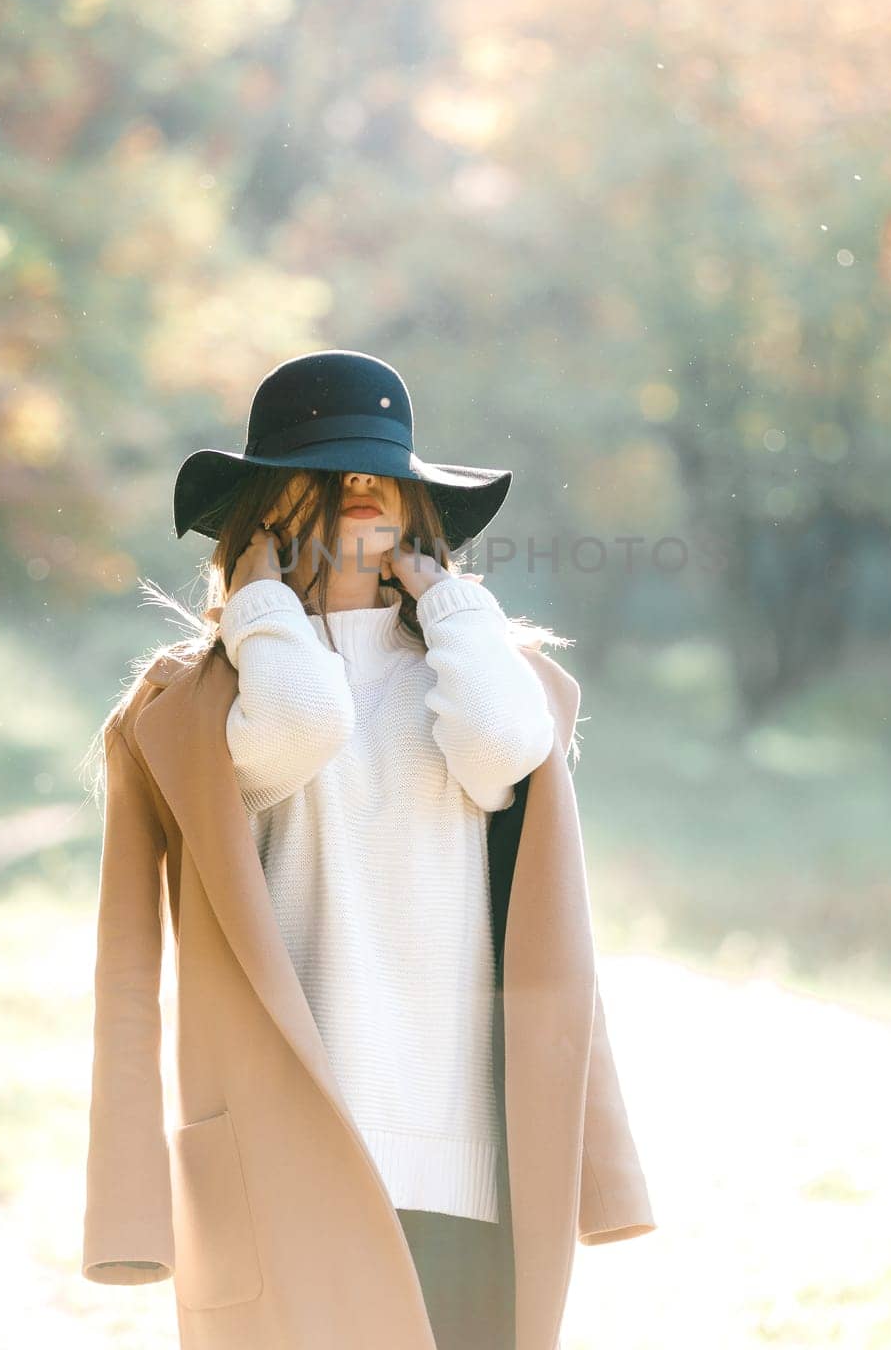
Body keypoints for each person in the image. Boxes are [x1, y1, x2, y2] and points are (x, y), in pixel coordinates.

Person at [84, 349, 584, 1350]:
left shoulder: (478, 669)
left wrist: (443, 600)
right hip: (287, 1161)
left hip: (461, 1160)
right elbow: (307, 720)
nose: (363, 487)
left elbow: (498, 742)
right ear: (267, 507)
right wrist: (263, 602)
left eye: (382, 470)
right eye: (332, 468)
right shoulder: (208, 699)